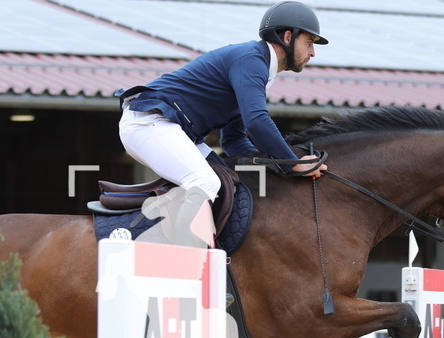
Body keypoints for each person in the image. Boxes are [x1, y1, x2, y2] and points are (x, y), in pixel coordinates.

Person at [116, 1, 329, 246]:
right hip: (149, 123)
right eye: (309, 42)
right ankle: (184, 263)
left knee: (227, 180)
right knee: (205, 182)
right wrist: (292, 163)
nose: (312, 53)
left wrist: (272, 165)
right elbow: (257, 122)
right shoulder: (251, 61)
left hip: (173, 130)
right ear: (288, 36)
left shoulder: (257, 67)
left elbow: (233, 140)